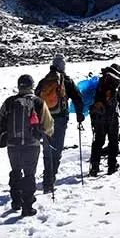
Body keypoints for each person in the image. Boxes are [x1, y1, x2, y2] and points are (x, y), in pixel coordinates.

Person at [0, 75, 54, 217]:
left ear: (19, 86)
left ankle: (16, 201)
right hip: (32, 145)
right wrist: (45, 134)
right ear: (32, 86)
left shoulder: (10, 102)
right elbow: (48, 125)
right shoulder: (38, 102)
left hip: (13, 145)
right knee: (29, 174)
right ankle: (27, 206)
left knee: (16, 171)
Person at [34, 55, 84, 194]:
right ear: (63, 66)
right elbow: (78, 98)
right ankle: (50, 181)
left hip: (45, 119)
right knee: (57, 150)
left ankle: (47, 181)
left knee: (47, 150)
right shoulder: (66, 81)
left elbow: (36, 100)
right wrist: (80, 115)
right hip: (61, 119)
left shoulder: (44, 81)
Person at [89, 64, 120, 176]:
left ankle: (95, 166)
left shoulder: (100, 82)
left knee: (98, 142)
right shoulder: (119, 85)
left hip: (99, 117)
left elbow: (93, 100)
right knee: (113, 141)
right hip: (112, 118)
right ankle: (112, 166)